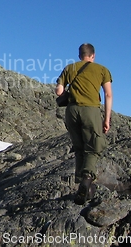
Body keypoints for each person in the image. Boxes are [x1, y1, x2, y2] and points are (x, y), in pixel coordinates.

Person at [55, 43, 113, 205]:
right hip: (90, 111)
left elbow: (59, 91)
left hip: (71, 112)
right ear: (92, 55)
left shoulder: (69, 68)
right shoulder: (102, 70)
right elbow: (108, 95)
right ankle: (87, 179)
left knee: (79, 147)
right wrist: (106, 119)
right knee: (94, 146)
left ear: (80, 55)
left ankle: (82, 189)